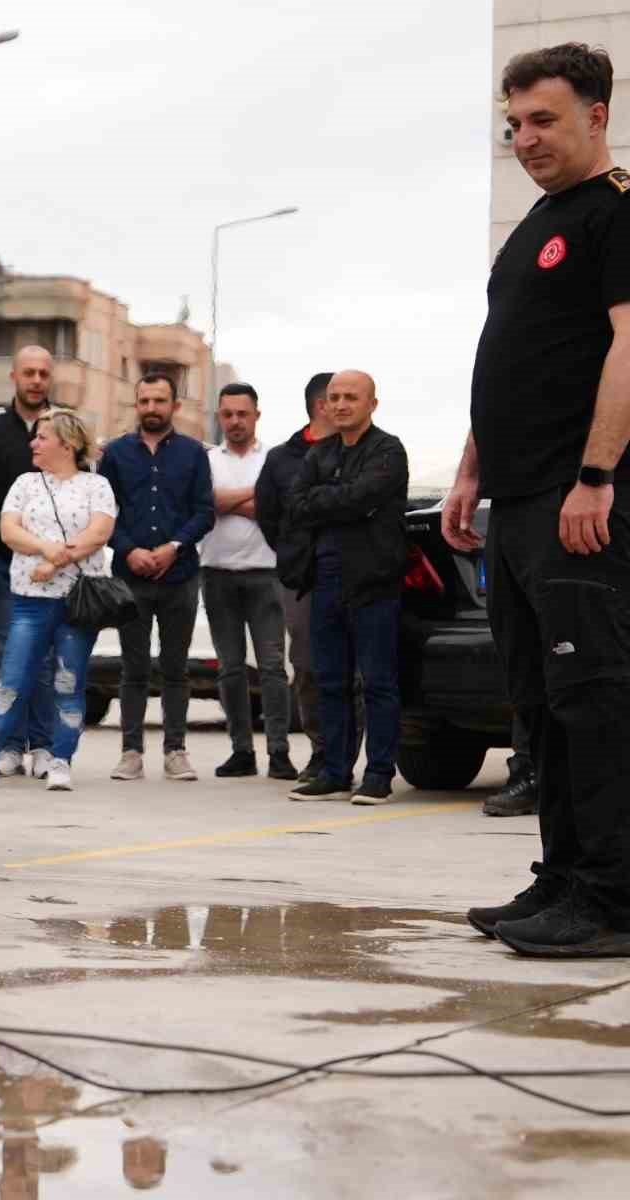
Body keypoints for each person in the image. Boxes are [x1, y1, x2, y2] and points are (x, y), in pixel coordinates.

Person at [453, 44, 630, 955]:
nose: (524, 139)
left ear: (597, 115)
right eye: (513, 124)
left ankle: (611, 898)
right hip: (517, 504)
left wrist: (595, 477)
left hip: (579, 501)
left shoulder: (614, 215)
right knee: (543, 702)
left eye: (544, 120)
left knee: (595, 699)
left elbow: (628, 348)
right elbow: (508, 361)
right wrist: (472, 471)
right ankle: (561, 878)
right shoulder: (533, 228)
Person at [0, 411, 116, 791]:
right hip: (30, 600)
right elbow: (9, 530)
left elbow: (98, 533)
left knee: (69, 681)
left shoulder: (97, 486)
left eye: (42, 437)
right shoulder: (24, 483)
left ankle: (60, 760)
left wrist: (55, 564)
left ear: (67, 445)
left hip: (78, 602)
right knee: (14, 678)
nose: (33, 443)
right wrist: (48, 550)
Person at [284, 371, 408, 806]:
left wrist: (334, 500)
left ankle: (378, 774)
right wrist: (344, 500)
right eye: (334, 397)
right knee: (329, 680)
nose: (340, 405)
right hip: (324, 581)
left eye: (350, 397)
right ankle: (335, 772)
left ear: (372, 404)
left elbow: (364, 496)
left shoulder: (388, 450)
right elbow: (297, 504)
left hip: (373, 583)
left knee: (377, 682)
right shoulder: (319, 454)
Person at [100, 373, 215, 782]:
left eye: (159, 400)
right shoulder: (114, 454)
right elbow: (104, 511)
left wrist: (173, 547)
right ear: (137, 404)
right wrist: (128, 549)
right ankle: (130, 751)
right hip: (129, 576)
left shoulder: (193, 454)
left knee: (175, 667)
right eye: (144, 400)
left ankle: (176, 750)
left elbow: (204, 512)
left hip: (179, 575)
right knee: (133, 667)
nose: (152, 408)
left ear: (174, 406)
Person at [256, 371, 361, 783]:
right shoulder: (283, 458)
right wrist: (292, 555)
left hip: (352, 574)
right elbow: (269, 515)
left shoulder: (362, 452)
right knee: (308, 666)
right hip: (302, 580)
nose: (343, 408)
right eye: (337, 399)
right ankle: (322, 752)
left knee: (350, 670)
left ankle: (345, 758)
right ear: (322, 405)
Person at [0, 348, 59, 778]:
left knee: (44, 656)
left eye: (43, 373)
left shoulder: (64, 425)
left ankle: (43, 744)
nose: (36, 380)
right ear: (13, 376)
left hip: (52, 567)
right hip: (1, 562)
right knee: (11, 654)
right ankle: (9, 745)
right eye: (29, 372)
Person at [200, 383, 296, 780]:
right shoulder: (207, 461)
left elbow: (275, 508)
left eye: (243, 413)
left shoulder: (273, 460)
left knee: (272, 666)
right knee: (230, 668)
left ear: (257, 415)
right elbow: (205, 504)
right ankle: (241, 750)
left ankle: (278, 752)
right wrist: (250, 499)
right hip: (217, 572)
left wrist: (229, 500)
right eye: (228, 414)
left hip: (265, 572)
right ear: (219, 416)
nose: (235, 421)